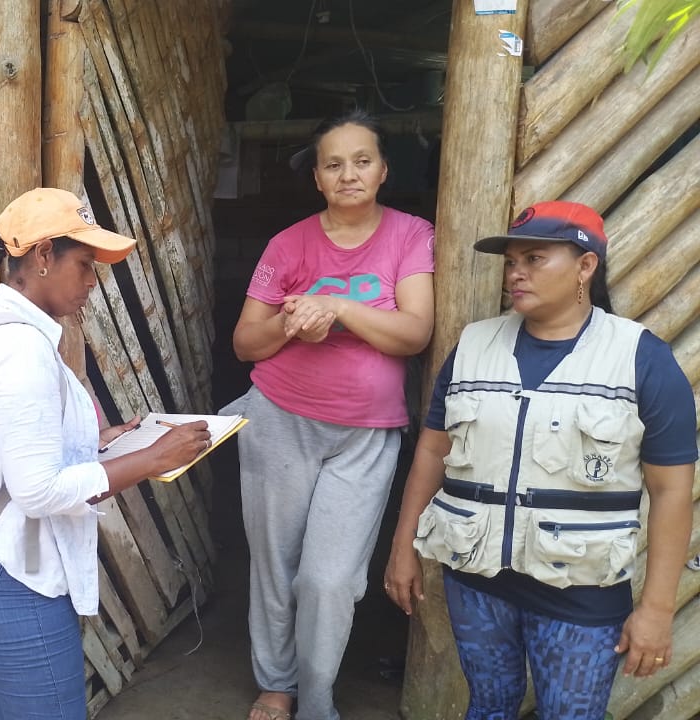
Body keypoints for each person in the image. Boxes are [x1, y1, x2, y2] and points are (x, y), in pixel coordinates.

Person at [383, 201, 696, 719]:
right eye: (511, 261)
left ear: (586, 265)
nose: (516, 273)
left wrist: (658, 609)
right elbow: (434, 451)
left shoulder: (640, 357)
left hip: (582, 592)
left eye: (534, 259)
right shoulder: (474, 346)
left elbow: (671, 490)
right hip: (476, 579)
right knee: (489, 706)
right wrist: (403, 546)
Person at [0, 187, 212, 719]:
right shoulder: (19, 350)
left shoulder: (7, 333)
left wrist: (101, 442)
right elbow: (36, 490)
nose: (93, 282)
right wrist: (151, 459)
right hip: (19, 582)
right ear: (43, 255)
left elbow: (12, 450)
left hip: (4, 576)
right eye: (85, 265)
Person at [226, 109, 436, 720]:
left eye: (362, 161)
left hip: (366, 435)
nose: (349, 174)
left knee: (331, 579)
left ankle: (316, 700)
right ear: (317, 177)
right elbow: (245, 343)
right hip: (280, 418)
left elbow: (414, 332)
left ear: (384, 170)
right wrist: (293, 324)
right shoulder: (288, 244)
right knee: (276, 563)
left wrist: (336, 306)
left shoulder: (410, 235)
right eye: (334, 164)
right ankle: (277, 683)